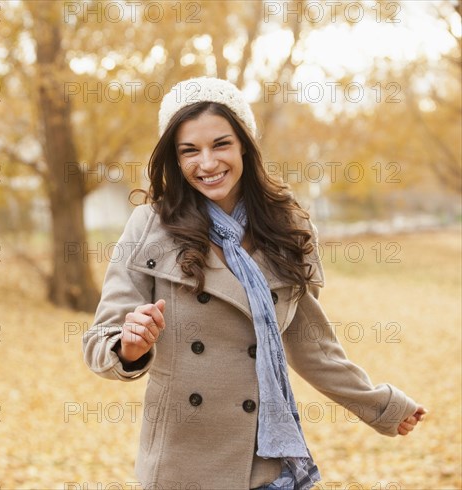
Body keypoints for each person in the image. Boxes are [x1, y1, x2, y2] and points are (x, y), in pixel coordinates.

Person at [82, 77, 426, 490]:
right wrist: (130, 347)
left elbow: (310, 344)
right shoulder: (151, 225)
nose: (207, 164)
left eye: (220, 144)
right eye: (189, 150)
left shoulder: (288, 227)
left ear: (244, 144)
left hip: (265, 459)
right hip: (182, 463)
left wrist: (378, 405)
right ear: (174, 158)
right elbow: (101, 339)